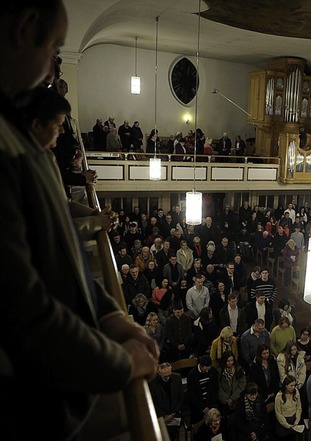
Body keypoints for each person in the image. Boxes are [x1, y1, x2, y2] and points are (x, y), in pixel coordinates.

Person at [0, 2, 159, 438]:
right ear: (25, 24)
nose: (55, 67)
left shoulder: (19, 134)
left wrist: (110, 315)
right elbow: (23, 312)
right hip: (32, 409)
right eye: (55, 47)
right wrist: (121, 362)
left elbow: (61, 256)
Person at [149, 363, 185, 441]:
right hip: (161, 417)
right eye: (165, 376)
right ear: (159, 373)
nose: (168, 377)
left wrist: (173, 414)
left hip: (175, 414)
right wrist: (163, 416)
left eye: (169, 375)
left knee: (173, 435)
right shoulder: (153, 383)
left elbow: (181, 397)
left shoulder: (177, 377)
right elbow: (152, 402)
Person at [274, 375, 303, 440]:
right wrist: (288, 426)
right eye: (291, 386)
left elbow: (299, 407)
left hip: (294, 420)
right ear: (286, 386)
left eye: (294, 385)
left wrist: (296, 421)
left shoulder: (296, 392)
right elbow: (278, 414)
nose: (293, 387)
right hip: (283, 422)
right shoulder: (279, 396)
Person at [217, 351, 246, 416]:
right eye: (228, 361)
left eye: (232, 360)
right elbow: (218, 387)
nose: (230, 363)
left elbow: (242, 385)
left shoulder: (239, 369)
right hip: (224, 402)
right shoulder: (219, 371)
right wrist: (226, 399)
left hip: (237, 399)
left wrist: (232, 398)